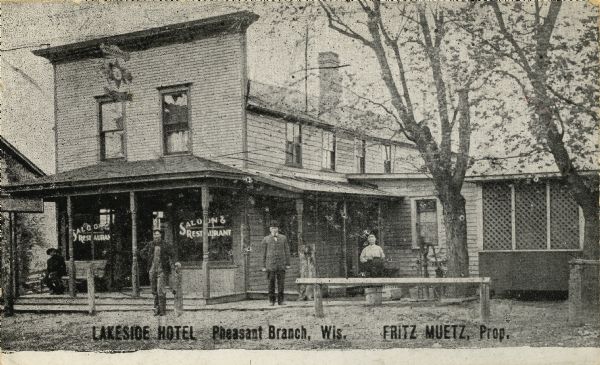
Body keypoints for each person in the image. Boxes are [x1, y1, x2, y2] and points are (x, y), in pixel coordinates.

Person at [141, 228, 178, 316]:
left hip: (162, 271)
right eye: (155, 235)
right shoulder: (150, 244)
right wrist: (148, 259)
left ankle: (162, 310)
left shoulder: (165, 245)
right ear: (153, 236)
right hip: (152, 270)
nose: (156, 236)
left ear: (161, 235)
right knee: (154, 291)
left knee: (160, 290)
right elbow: (142, 252)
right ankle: (156, 309)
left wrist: (175, 262)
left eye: (158, 235)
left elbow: (173, 254)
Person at [261, 220, 291, 305]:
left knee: (281, 283)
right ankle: (271, 301)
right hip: (270, 265)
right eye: (272, 228)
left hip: (281, 265)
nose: (274, 230)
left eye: (275, 228)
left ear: (278, 229)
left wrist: (288, 263)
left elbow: (287, 251)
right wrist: (263, 265)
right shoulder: (266, 239)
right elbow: (263, 253)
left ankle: (281, 301)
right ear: (270, 229)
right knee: (271, 283)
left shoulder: (283, 238)